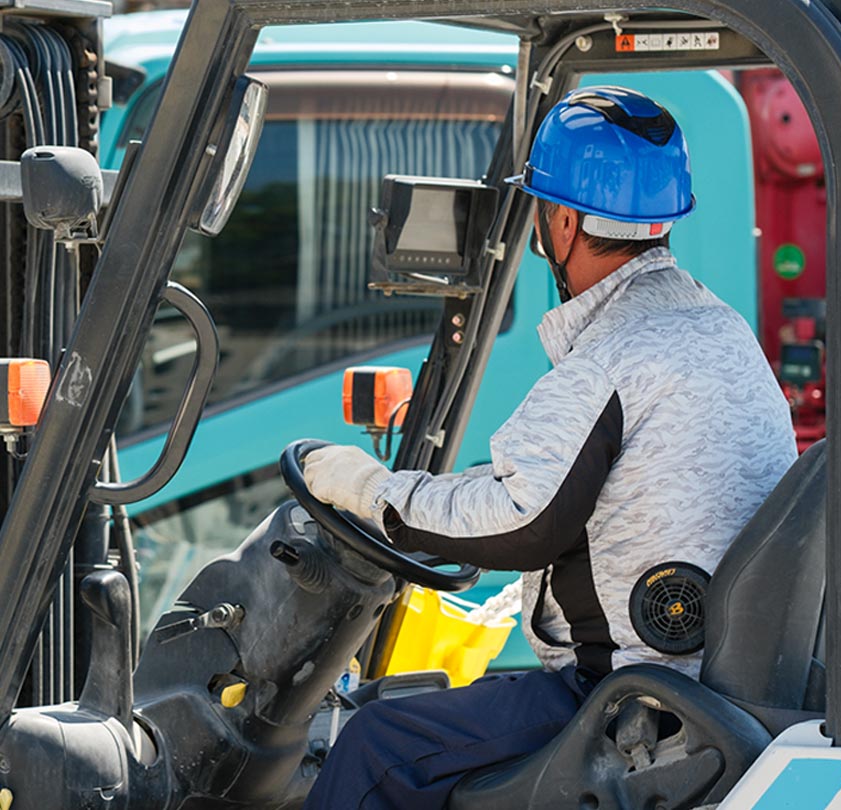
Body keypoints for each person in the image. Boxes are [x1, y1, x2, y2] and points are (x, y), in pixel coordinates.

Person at [302, 85, 797, 809]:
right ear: (662, 217)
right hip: (708, 682)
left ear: (561, 222)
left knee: (375, 742)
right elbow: (569, 489)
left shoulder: (610, 356)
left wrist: (370, 491)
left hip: (629, 698)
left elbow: (523, 521)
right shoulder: (717, 327)